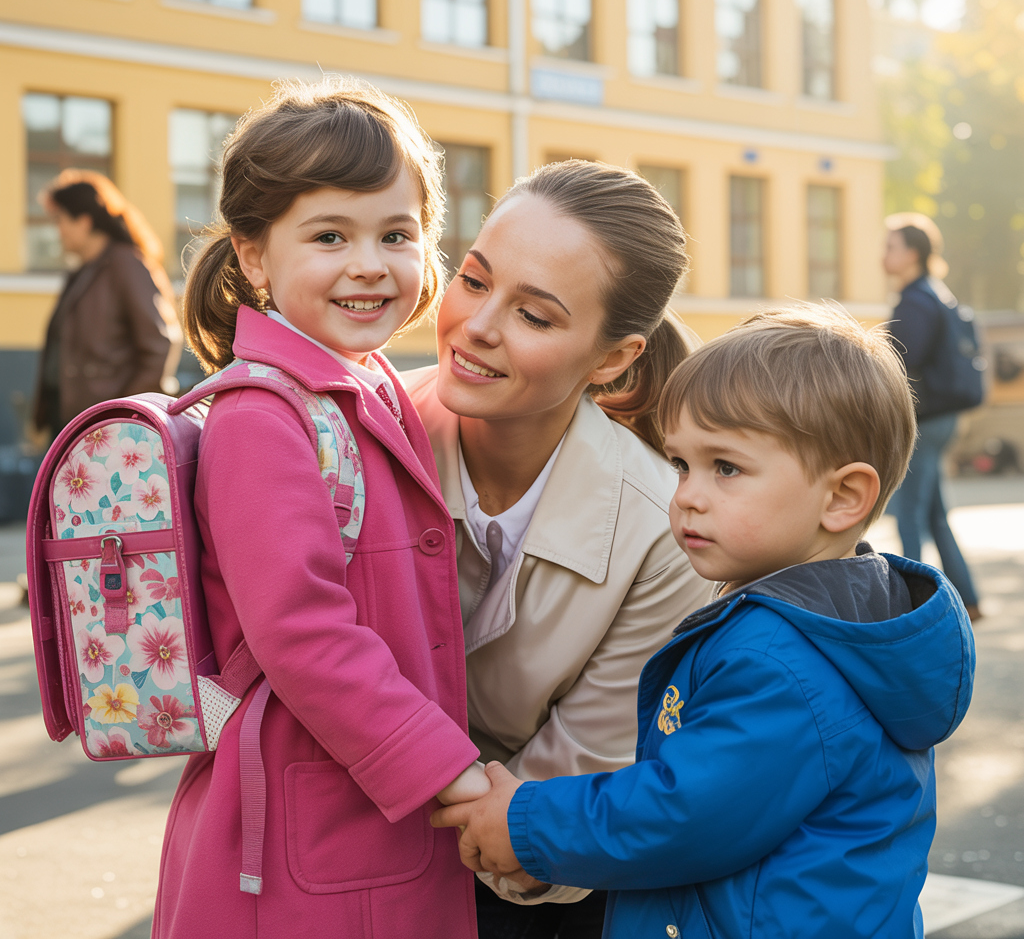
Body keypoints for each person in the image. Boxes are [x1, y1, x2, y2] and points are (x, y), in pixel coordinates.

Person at [434, 303, 976, 939]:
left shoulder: (785, 660)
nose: (687, 493)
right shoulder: (811, 620)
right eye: (682, 464)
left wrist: (525, 823)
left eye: (726, 468)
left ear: (842, 497)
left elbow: (683, 812)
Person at [152, 79, 488, 939]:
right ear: (255, 257)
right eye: (330, 235)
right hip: (312, 840)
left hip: (366, 813)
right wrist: (450, 770)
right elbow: (301, 631)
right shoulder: (262, 416)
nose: (370, 263)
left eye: (397, 234)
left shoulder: (364, 386)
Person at [404, 159, 711, 937]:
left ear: (611, 359)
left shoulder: (659, 533)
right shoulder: (355, 431)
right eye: (473, 281)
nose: (476, 324)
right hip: (344, 849)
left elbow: (568, 792)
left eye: (534, 316)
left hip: (526, 881)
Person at [883, 213, 982, 621]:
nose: (883, 255)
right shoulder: (936, 294)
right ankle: (969, 599)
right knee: (935, 512)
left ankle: (913, 608)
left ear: (912, 253)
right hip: (944, 416)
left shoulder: (915, 300)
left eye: (890, 246)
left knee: (909, 511)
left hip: (925, 419)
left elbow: (899, 362)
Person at [33, 170, 182, 438]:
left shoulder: (126, 265)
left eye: (61, 220)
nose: (58, 231)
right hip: (73, 424)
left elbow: (159, 344)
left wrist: (120, 415)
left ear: (84, 221)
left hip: (105, 431)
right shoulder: (83, 272)